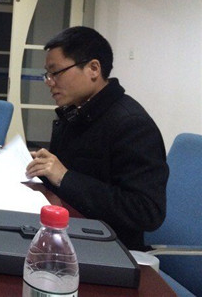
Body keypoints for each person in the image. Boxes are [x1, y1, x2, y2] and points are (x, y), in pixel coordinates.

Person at [25, 26, 169, 250]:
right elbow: (67, 176)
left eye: (56, 73)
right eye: (48, 74)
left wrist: (64, 177)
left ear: (93, 69)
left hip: (108, 246)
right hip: (67, 230)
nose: (49, 82)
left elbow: (146, 211)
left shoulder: (132, 125)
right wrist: (42, 169)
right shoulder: (77, 112)